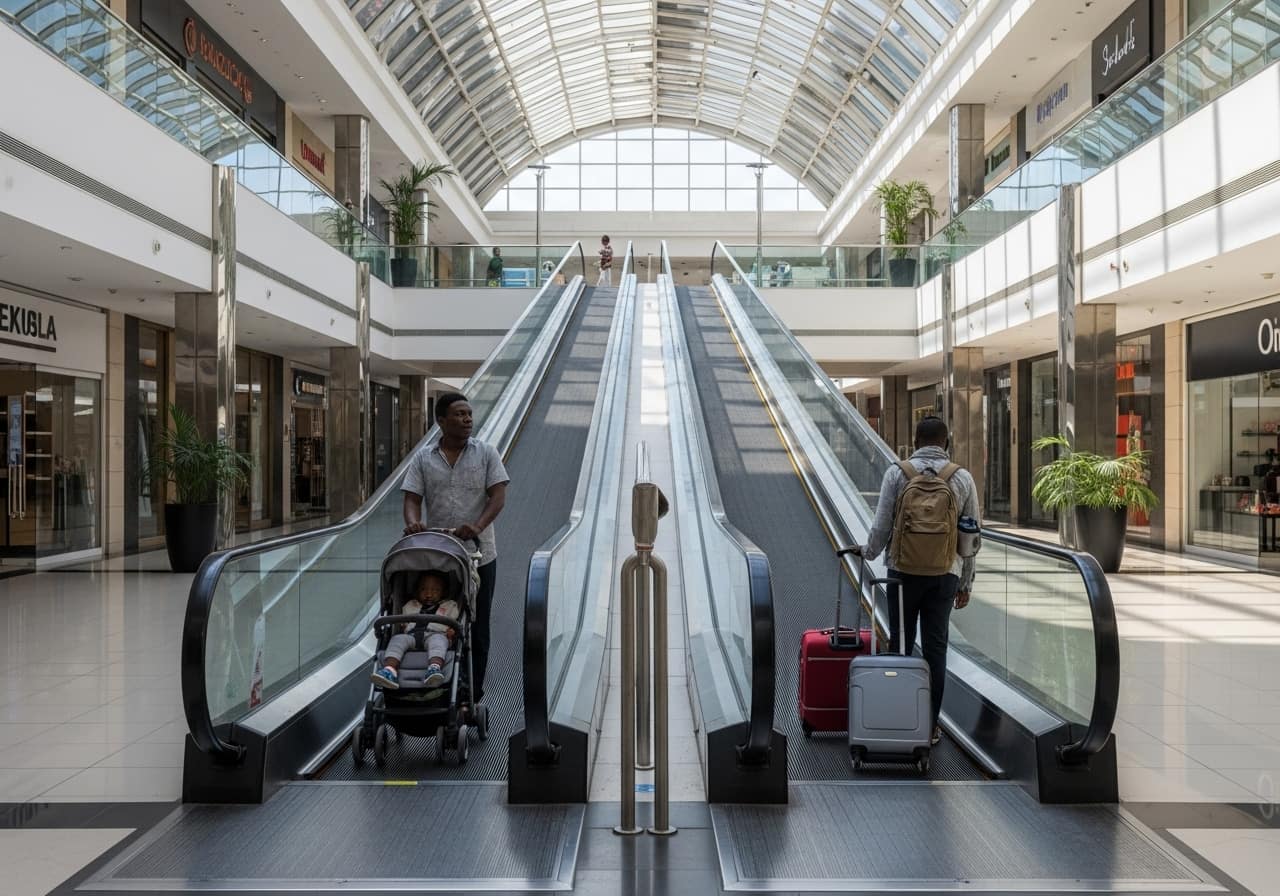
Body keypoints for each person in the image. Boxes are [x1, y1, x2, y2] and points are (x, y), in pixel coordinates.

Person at [848, 416, 978, 746]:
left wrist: (868, 552)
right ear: (947, 443)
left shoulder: (898, 473)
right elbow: (971, 537)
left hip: (902, 575)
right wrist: (966, 584)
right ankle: (930, 726)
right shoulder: (961, 478)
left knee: (900, 648)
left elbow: (881, 526)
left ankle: (900, 718)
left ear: (914, 440)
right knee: (936, 650)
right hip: (943, 576)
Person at [402, 392, 509, 702]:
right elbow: (411, 498)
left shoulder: (486, 453)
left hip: (479, 555)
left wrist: (476, 526)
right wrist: (412, 522)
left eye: (469, 415)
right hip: (439, 555)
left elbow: (498, 496)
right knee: (438, 620)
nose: (467, 420)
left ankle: (471, 693)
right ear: (441, 421)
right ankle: (438, 683)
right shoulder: (423, 458)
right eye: (460, 415)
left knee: (478, 626)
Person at [372, 570, 459, 690]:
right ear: (417, 590)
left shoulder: (450, 605)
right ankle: (389, 670)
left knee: (438, 641)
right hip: (411, 636)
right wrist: (402, 626)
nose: (429, 594)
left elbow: (454, 622)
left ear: (443, 592)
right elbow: (403, 622)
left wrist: (452, 632)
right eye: (424, 589)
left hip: (436, 634)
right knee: (397, 639)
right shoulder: (410, 605)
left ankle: (434, 668)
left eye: (435, 590)